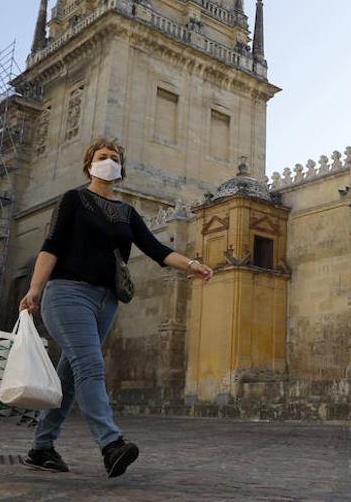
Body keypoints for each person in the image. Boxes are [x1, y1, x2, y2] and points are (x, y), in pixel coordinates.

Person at [19, 137, 212, 478]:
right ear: (89, 164)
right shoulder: (73, 200)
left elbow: (156, 248)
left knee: (71, 375)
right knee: (91, 364)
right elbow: (51, 246)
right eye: (102, 156)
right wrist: (35, 288)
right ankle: (111, 444)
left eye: (114, 158)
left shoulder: (127, 213)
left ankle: (41, 447)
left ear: (121, 169)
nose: (108, 160)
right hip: (66, 293)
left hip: (106, 301)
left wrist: (192, 264)